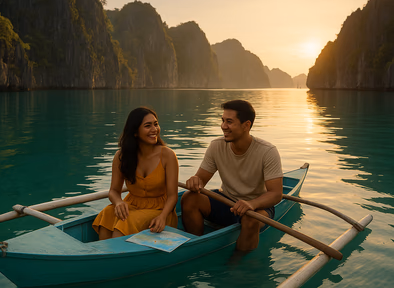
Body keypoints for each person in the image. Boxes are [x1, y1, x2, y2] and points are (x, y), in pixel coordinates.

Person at [181, 100, 283, 251]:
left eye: (229, 122)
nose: (223, 126)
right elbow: (200, 180)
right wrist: (195, 181)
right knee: (189, 198)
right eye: (222, 121)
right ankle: (195, 247)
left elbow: (276, 194)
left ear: (246, 125)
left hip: (256, 207)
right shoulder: (216, 146)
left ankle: (238, 268)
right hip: (227, 201)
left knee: (251, 220)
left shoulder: (267, 151)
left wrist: (252, 204)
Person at [93, 107, 179, 240]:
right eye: (147, 126)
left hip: (160, 210)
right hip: (132, 205)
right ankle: (103, 254)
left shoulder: (168, 155)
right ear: (135, 132)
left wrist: (162, 217)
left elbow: (173, 196)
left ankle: (115, 256)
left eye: (156, 124)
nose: (154, 129)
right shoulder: (121, 156)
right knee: (107, 213)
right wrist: (118, 202)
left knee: (125, 221)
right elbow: (114, 191)